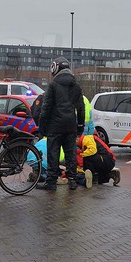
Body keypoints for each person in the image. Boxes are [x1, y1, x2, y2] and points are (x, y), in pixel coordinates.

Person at [38, 56, 85, 191]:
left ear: (55, 68)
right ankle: (72, 180)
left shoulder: (53, 85)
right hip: (71, 125)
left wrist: (42, 127)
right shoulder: (75, 85)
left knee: (53, 153)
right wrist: (80, 127)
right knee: (70, 153)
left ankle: (51, 182)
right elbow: (80, 108)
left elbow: (46, 107)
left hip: (55, 125)